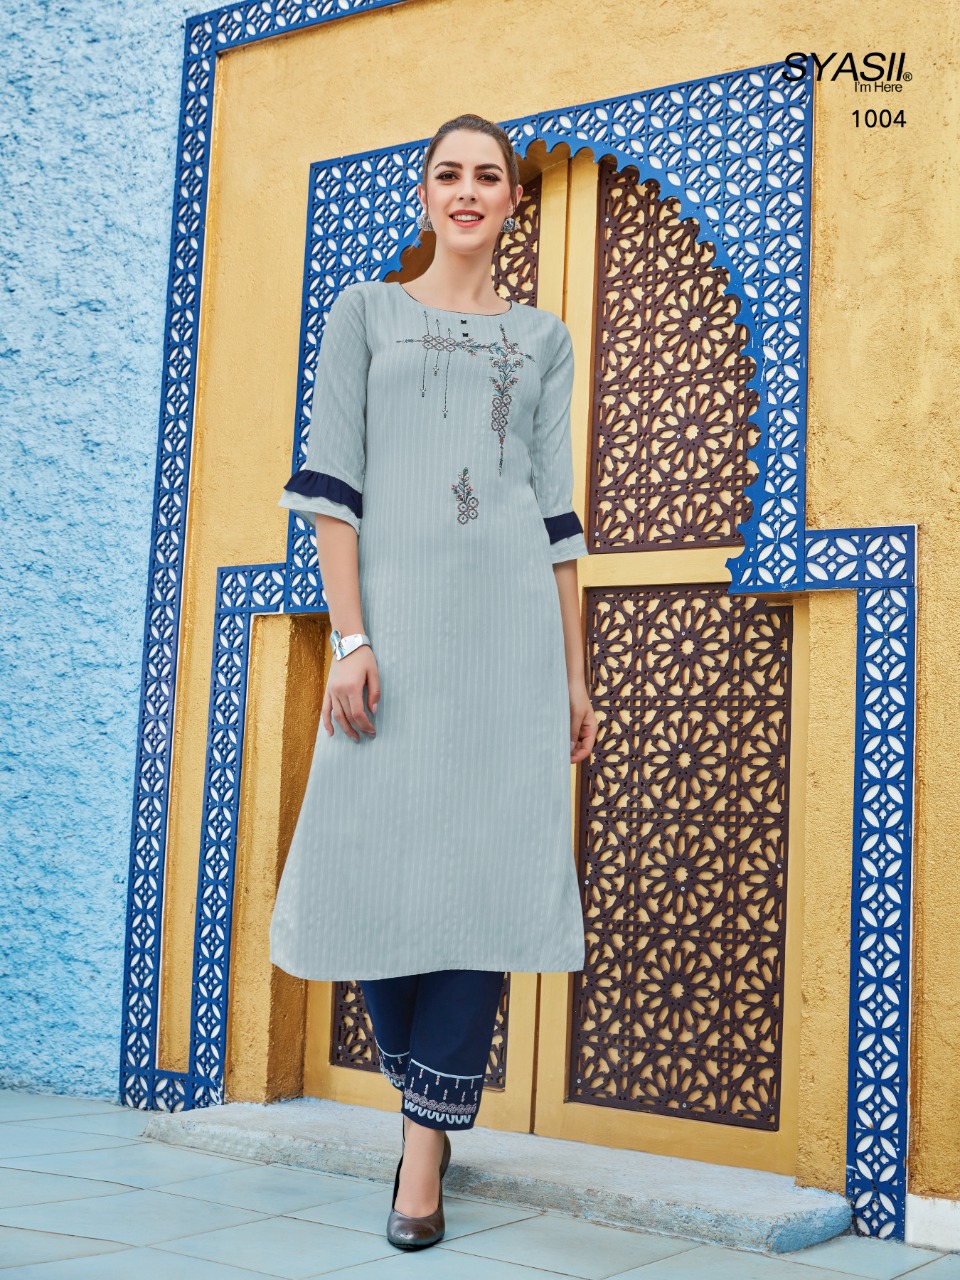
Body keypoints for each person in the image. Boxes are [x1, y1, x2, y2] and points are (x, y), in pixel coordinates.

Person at [270, 112, 598, 1250]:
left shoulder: (543, 338)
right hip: (394, 643)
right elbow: (331, 487)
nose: (467, 190)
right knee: (374, 868)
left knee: (484, 876)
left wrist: (574, 674)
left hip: (510, 646)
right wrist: (351, 639)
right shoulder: (364, 313)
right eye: (448, 173)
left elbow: (554, 518)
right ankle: (431, 1099)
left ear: (512, 200)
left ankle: (422, 1149)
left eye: (487, 176)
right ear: (425, 195)